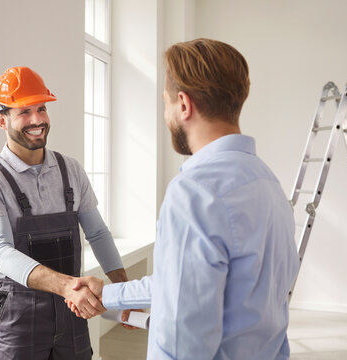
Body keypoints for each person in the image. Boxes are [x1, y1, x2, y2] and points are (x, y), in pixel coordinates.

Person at [70, 38, 300, 359]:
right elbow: (183, 283)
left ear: (183, 104)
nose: (166, 114)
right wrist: (109, 294)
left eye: (165, 103)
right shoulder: (265, 180)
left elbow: (182, 336)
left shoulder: (195, 192)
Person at [0, 66, 130, 360]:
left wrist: (126, 292)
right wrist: (69, 286)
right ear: (1, 120)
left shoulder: (71, 170)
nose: (37, 120)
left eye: (41, 109)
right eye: (24, 112)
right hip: (19, 315)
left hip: (71, 314)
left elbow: (98, 233)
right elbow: (0, 251)